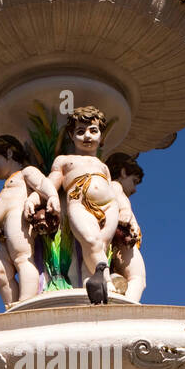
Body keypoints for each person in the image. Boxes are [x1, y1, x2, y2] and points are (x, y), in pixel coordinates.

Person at [49, 107, 129, 291]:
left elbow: (114, 191)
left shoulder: (103, 167)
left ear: (101, 136)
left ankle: (88, 282)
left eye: (93, 131)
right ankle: (107, 283)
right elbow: (51, 181)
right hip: (79, 203)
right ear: (71, 135)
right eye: (80, 131)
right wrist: (42, 196)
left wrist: (126, 211)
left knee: (100, 244)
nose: (87, 136)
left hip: (110, 206)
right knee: (91, 240)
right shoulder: (64, 160)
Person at [0, 135, 60, 306]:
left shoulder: (25, 172)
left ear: (9, 153)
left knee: (23, 259)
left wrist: (52, 196)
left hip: (17, 221)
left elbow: (41, 184)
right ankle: (11, 307)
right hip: (2, 234)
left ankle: (26, 302)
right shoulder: (7, 184)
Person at [106, 152, 146, 301]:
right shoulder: (115, 186)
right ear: (123, 172)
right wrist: (127, 215)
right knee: (138, 278)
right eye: (134, 181)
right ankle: (128, 310)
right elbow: (125, 209)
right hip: (121, 243)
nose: (135, 189)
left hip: (116, 245)